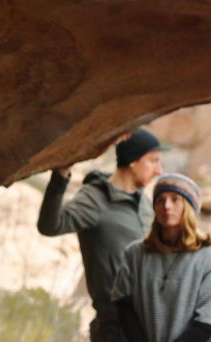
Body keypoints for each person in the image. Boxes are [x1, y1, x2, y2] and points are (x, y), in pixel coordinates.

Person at [37, 128, 167, 341]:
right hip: (116, 328)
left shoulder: (144, 204)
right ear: (133, 161)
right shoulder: (95, 198)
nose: (159, 170)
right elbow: (50, 226)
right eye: (153, 161)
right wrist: (60, 176)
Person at [112, 173, 211, 342]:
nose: (166, 206)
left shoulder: (207, 257)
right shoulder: (135, 254)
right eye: (160, 200)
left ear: (189, 207)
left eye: (175, 199)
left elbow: (206, 321)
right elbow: (123, 304)